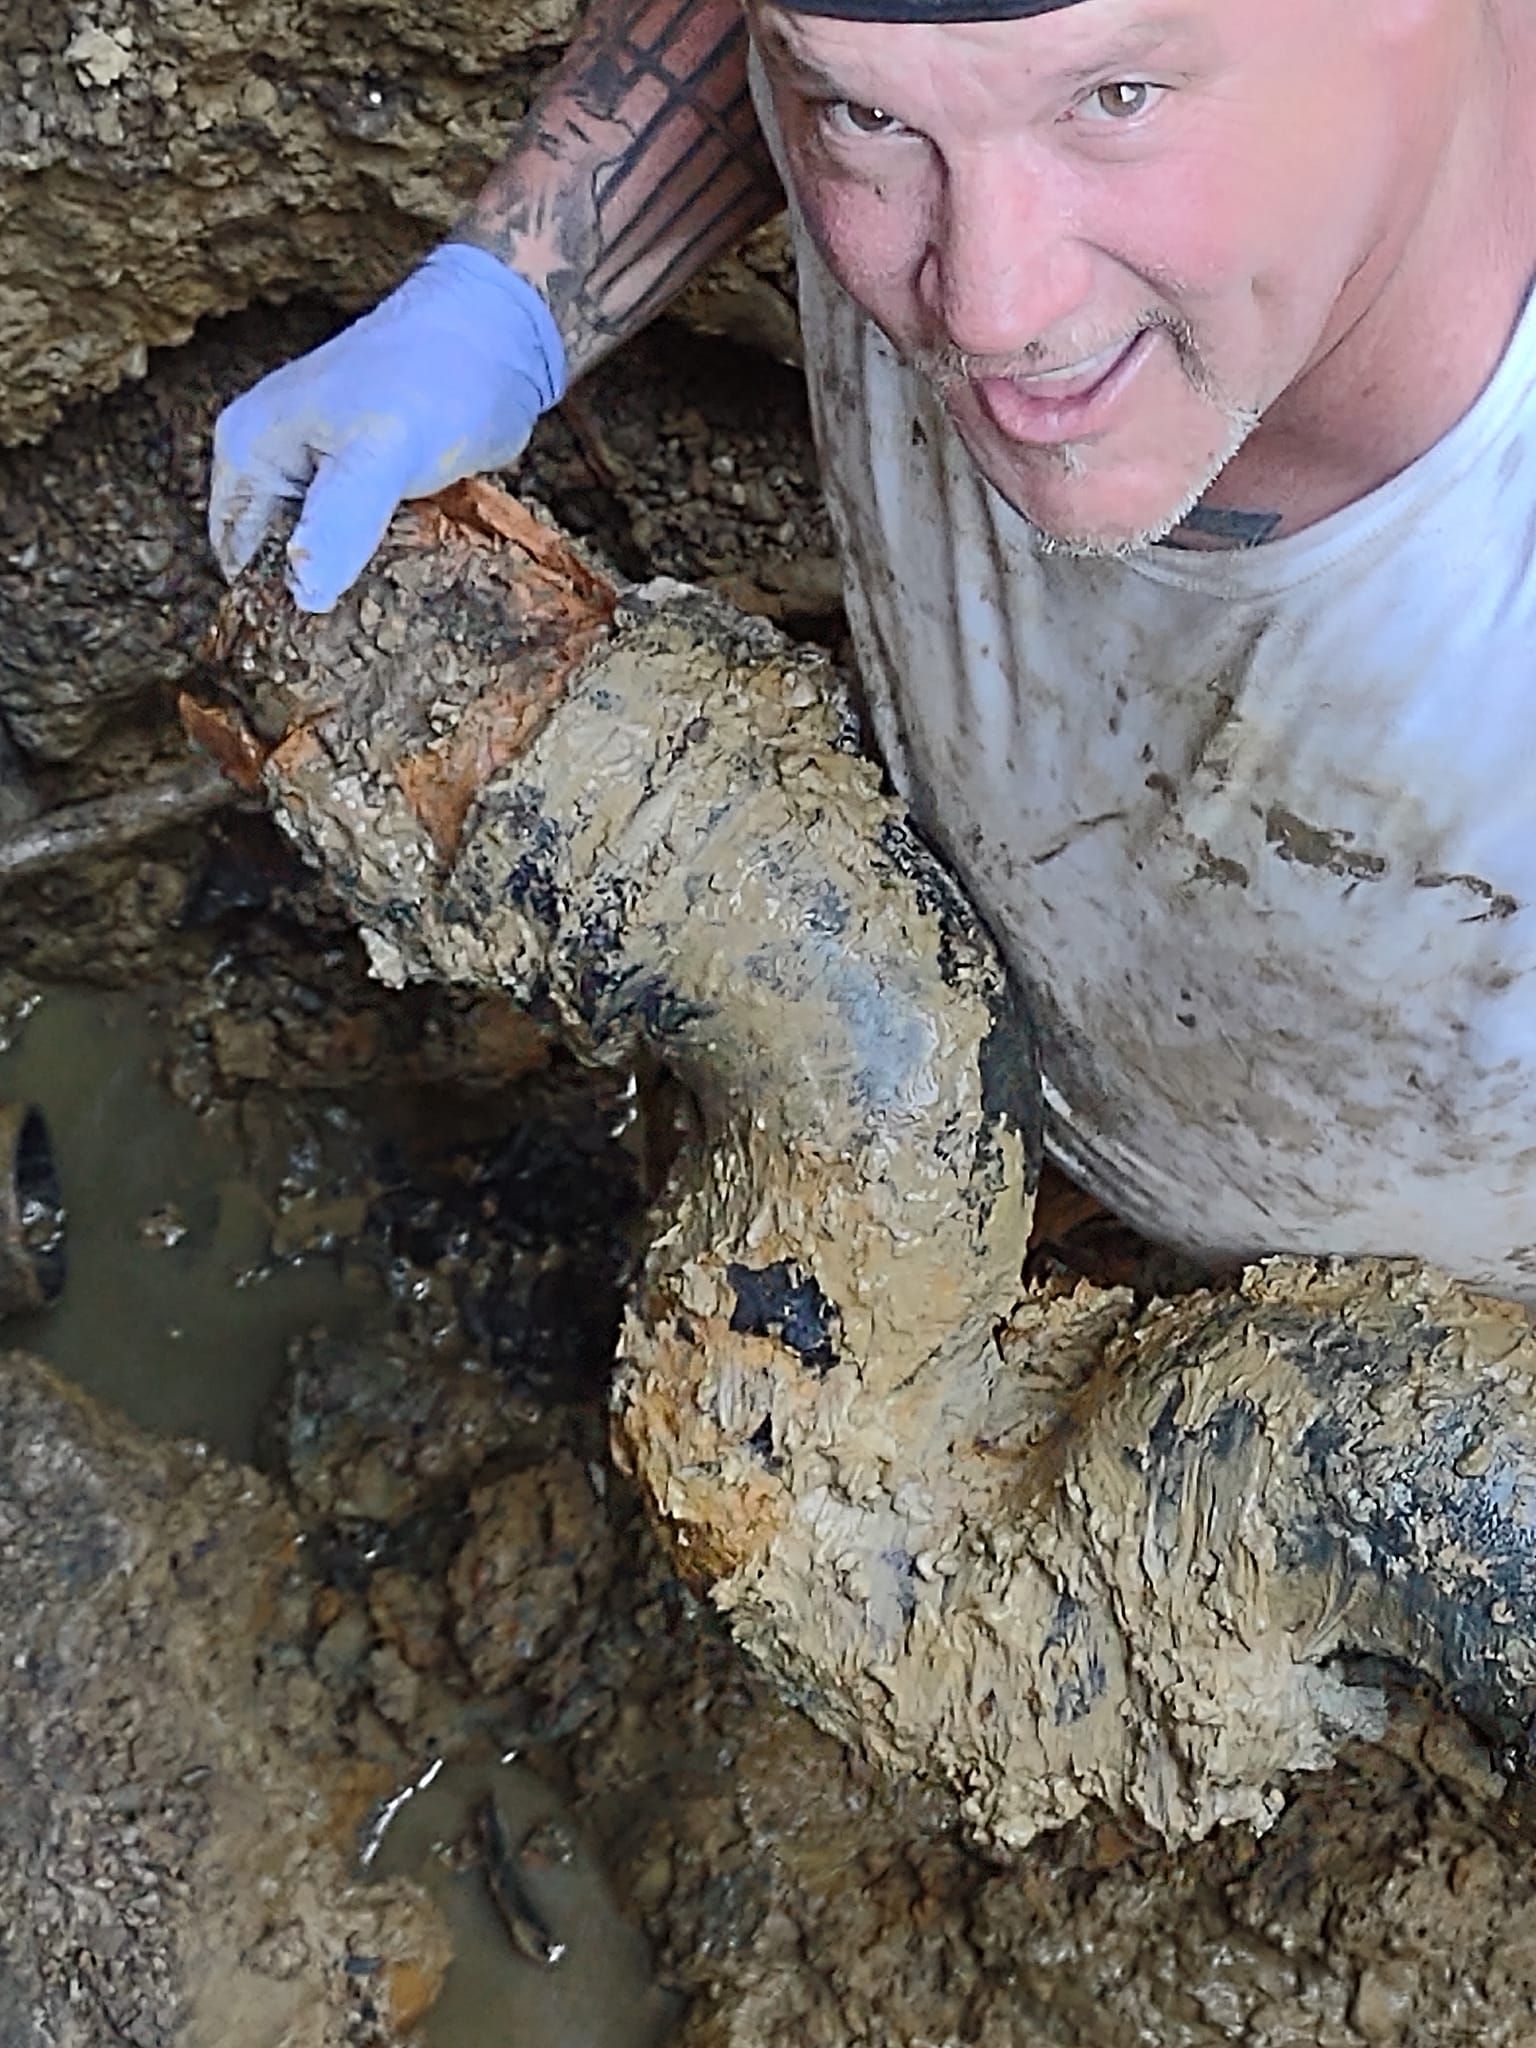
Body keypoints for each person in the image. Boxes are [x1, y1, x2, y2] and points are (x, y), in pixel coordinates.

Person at [209, 0, 1536, 1297]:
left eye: (1117, 99)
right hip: (1038, 1122)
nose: (990, 308)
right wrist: (507, 298)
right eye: (866, 112)